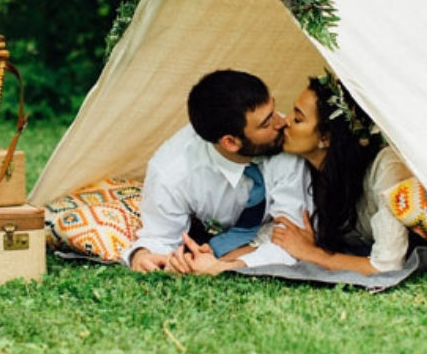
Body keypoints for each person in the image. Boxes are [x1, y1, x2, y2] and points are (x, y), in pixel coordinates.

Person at [176, 71, 413, 276]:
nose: (284, 122)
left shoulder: (385, 168)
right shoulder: (305, 169)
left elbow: (387, 266)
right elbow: (281, 237)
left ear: (326, 138)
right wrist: (219, 261)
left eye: (298, 118)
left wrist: (313, 254)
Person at [124, 69, 311, 273]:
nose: (282, 122)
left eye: (273, 110)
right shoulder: (172, 171)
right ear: (230, 143)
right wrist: (142, 256)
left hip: (256, 241)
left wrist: (226, 266)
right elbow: (160, 238)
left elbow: (295, 241)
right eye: (266, 123)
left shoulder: (288, 143)